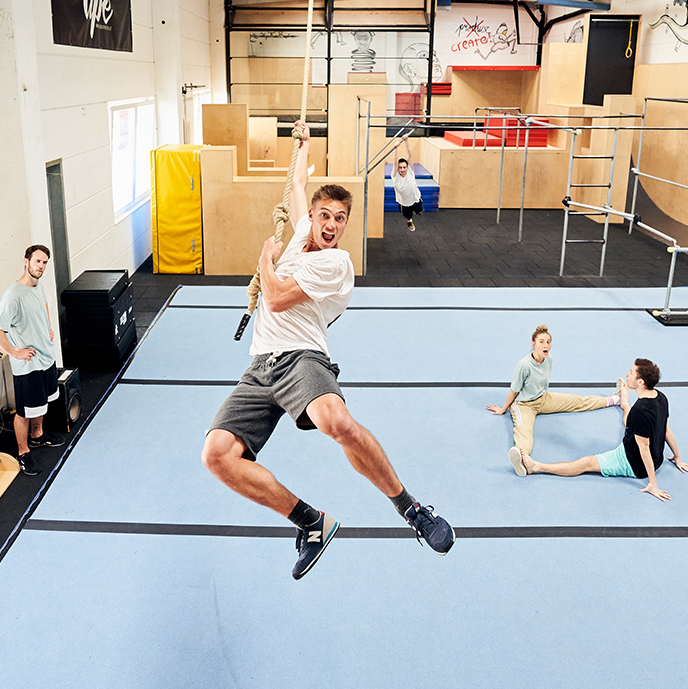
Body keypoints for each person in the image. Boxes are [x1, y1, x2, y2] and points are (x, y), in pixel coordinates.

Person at [202, 121, 454, 580]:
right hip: (260, 365)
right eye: (325, 216)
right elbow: (298, 185)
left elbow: (276, 297)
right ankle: (311, 523)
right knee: (216, 455)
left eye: (340, 219)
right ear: (314, 217)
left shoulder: (337, 263)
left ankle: (412, 509)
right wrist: (302, 141)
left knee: (336, 422)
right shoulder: (302, 229)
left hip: (301, 356)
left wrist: (264, 263)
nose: (332, 225)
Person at [511, 359, 686, 502]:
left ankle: (536, 467)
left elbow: (644, 448)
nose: (627, 374)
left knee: (584, 463)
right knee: (629, 417)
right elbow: (665, 430)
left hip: (633, 463)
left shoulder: (640, 411)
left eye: (631, 372)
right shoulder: (661, 397)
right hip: (658, 459)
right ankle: (623, 400)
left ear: (640, 381)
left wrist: (652, 483)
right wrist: (677, 456)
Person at [486, 325, 622, 468]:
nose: (546, 345)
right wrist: (503, 409)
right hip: (523, 405)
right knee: (524, 432)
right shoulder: (523, 365)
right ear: (533, 343)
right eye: (541, 342)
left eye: (548, 342)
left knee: (577, 401)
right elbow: (513, 391)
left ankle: (615, 399)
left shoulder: (548, 358)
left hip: (543, 399)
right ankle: (522, 460)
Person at [0, 245, 65, 476]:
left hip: (45, 357)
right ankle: (23, 453)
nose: (41, 267)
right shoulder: (12, 297)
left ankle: (38, 436)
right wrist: (16, 353)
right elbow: (0, 331)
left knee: (42, 402)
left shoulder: (38, 285)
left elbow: (43, 303)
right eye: (37, 261)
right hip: (27, 365)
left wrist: (47, 326)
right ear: (26, 261)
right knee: (24, 412)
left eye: (45, 262)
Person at [392, 134, 423, 231]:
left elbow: (410, 154)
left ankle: (417, 211)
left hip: (415, 198)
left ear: (407, 167)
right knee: (408, 216)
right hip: (404, 203)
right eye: (400, 168)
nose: (402, 169)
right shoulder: (395, 177)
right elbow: (395, 162)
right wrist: (395, 148)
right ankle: (409, 221)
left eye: (404, 167)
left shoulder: (410, 171)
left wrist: (406, 141)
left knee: (419, 211)